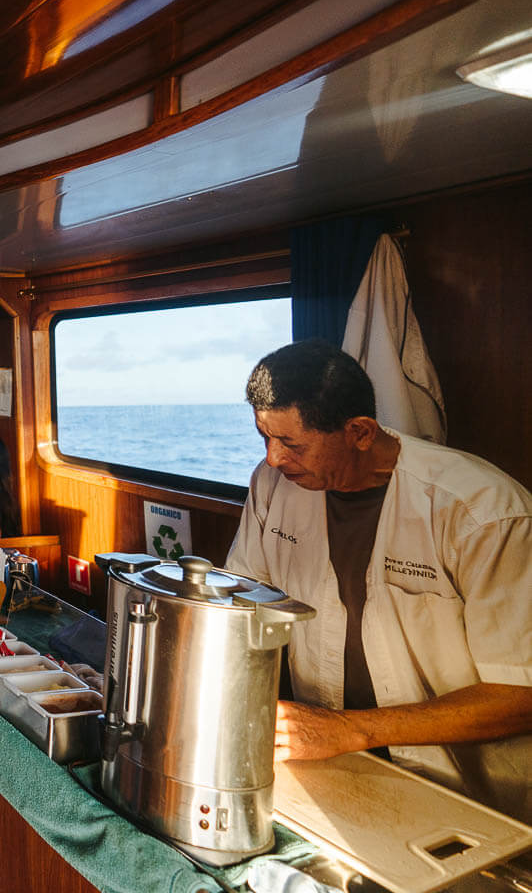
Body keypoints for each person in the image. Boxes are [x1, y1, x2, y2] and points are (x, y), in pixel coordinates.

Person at [226, 340, 532, 822]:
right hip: (331, 763)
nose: (273, 459)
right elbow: (241, 605)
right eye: (264, 437)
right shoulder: (272, 486)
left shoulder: (482, 512)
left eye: (292, 443)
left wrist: (350, 730)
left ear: (361, 433)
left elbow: (520, 694)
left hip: (469, 792)